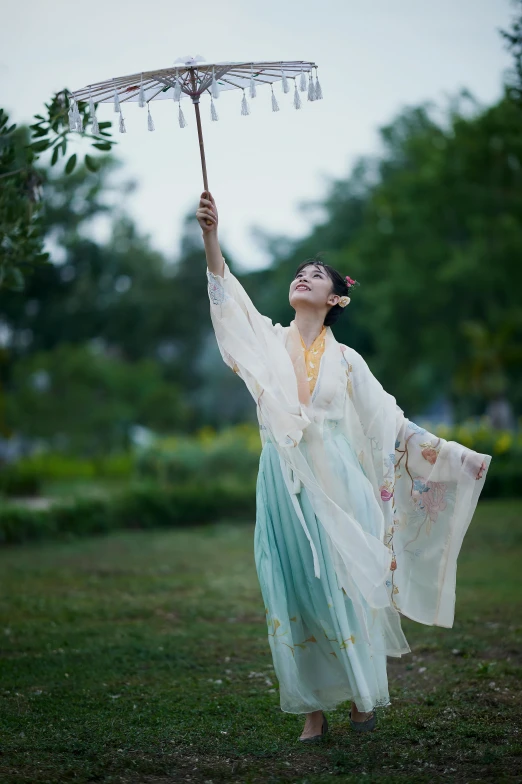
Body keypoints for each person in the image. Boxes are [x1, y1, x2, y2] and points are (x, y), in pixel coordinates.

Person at [196, 191, 490, 742]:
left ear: (337, 300)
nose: (304, 278)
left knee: (343, 584)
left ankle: (360, 695)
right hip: (282, 482)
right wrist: (212, 236)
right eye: (299, 273)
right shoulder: (268, 341)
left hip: (338, 480)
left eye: (317, 275)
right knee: (290, 585)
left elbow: (391, 422)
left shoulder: (348, 361)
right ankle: (311, 711)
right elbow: (228, 303)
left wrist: (448, 455)